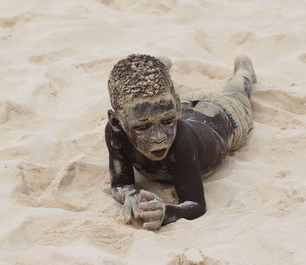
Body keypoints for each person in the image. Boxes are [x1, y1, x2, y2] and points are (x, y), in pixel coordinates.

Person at [105, 54, 256, 230]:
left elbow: (196, 205)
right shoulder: (116, 131)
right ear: (116, 122)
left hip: (224, 114)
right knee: (149, 94)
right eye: (143, 127)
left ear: (175, 108)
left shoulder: (181, 141)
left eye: (168, 122)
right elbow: (120, 184)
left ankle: (245, 71)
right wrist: (130, 194)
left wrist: (166, 212)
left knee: (237, 90)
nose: (159, 137)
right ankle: (160, 67)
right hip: (180, 108)